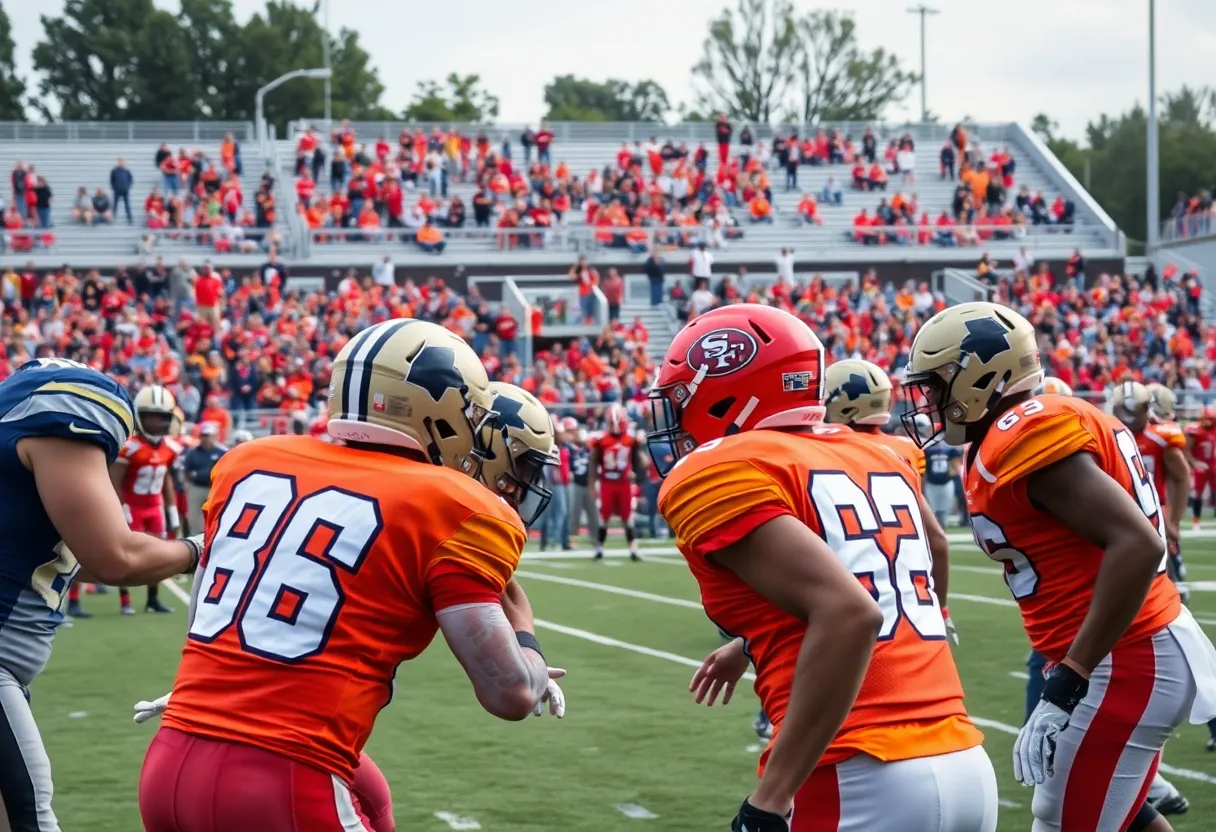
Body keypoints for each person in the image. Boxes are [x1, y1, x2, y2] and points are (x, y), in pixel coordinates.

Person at [137, 322, 565, 832]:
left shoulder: (251, 461)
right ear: (443, 413)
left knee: (372, 794)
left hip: (169, 760)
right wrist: (527, 641)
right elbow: (510, 694)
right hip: (284, 780)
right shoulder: (450, 504)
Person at [649, 304, 995, 832]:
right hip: (963, 757)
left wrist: (772, 796)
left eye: (681, 399)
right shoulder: (878, 453)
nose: (675, 416)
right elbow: (864, 576)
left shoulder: (723, 467)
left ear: (729, 391)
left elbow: (850, 610)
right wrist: (748, 645)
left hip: (857, 770)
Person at [902, 301, 1216, 832]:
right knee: (1124, 816)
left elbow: (1138, 545)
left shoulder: (1024, 431)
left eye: (937, 383)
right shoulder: (1019, 425)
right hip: (1126, 648)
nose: (930, 399)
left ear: (982, 374)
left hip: (1124, 652)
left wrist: (1072, 675)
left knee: (1060, 818)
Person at [0, 357, 201, 830]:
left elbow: (86, 559)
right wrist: (203, 547)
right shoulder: (64, 415)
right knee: (29, 816)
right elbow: (115, 557)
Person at [109, 385, 183, 615]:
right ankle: (125, 601)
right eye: (151, 417)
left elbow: (166, 479)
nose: (157, 423)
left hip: (155, 508)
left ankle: (153, 599)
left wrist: (171, 509)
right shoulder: (129, 448)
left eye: (162, 418)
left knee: (158, 555)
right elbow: (115, 481)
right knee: (126, 555)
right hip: (133, 507)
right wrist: (120, 507)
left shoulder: (170, 448)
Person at [589, 404, 644, 562]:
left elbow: (637, 461)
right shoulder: (601, 441)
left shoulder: (631, 440)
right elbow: (593, 462)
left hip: (624, 482)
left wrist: (638, 480)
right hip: (607, 482)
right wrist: (593, 483)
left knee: (628, 517)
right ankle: (599, 548)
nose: (616, 426)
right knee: (604, 516)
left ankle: (633, 549)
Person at [180, 423, 228, 537]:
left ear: (215, 436)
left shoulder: (222, 452)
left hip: (215, 488)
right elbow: (186, 470)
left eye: (208, 436)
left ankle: (215, 537)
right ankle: (196, 539)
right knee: (194, 516)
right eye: (204, 436)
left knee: (217, 515)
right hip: (196, 487)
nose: (206, 439)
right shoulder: (193, 452)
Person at [566, 420, 597, 543]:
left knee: (593, 513)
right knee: (575, 514)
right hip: (575, 484)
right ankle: (572, 538)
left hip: (589, 484)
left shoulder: (589, 449)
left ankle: (595, 538)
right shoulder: (569, 449)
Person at [1187, 406, 1216, 529]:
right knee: (1198, 493)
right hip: (1200, 465)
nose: (1208, 421)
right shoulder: (1195, 431)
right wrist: (1194, 462)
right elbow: (1186, 450)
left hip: (1213, 464)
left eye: (1210, 419)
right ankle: (1196, 521)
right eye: (1206, 418)